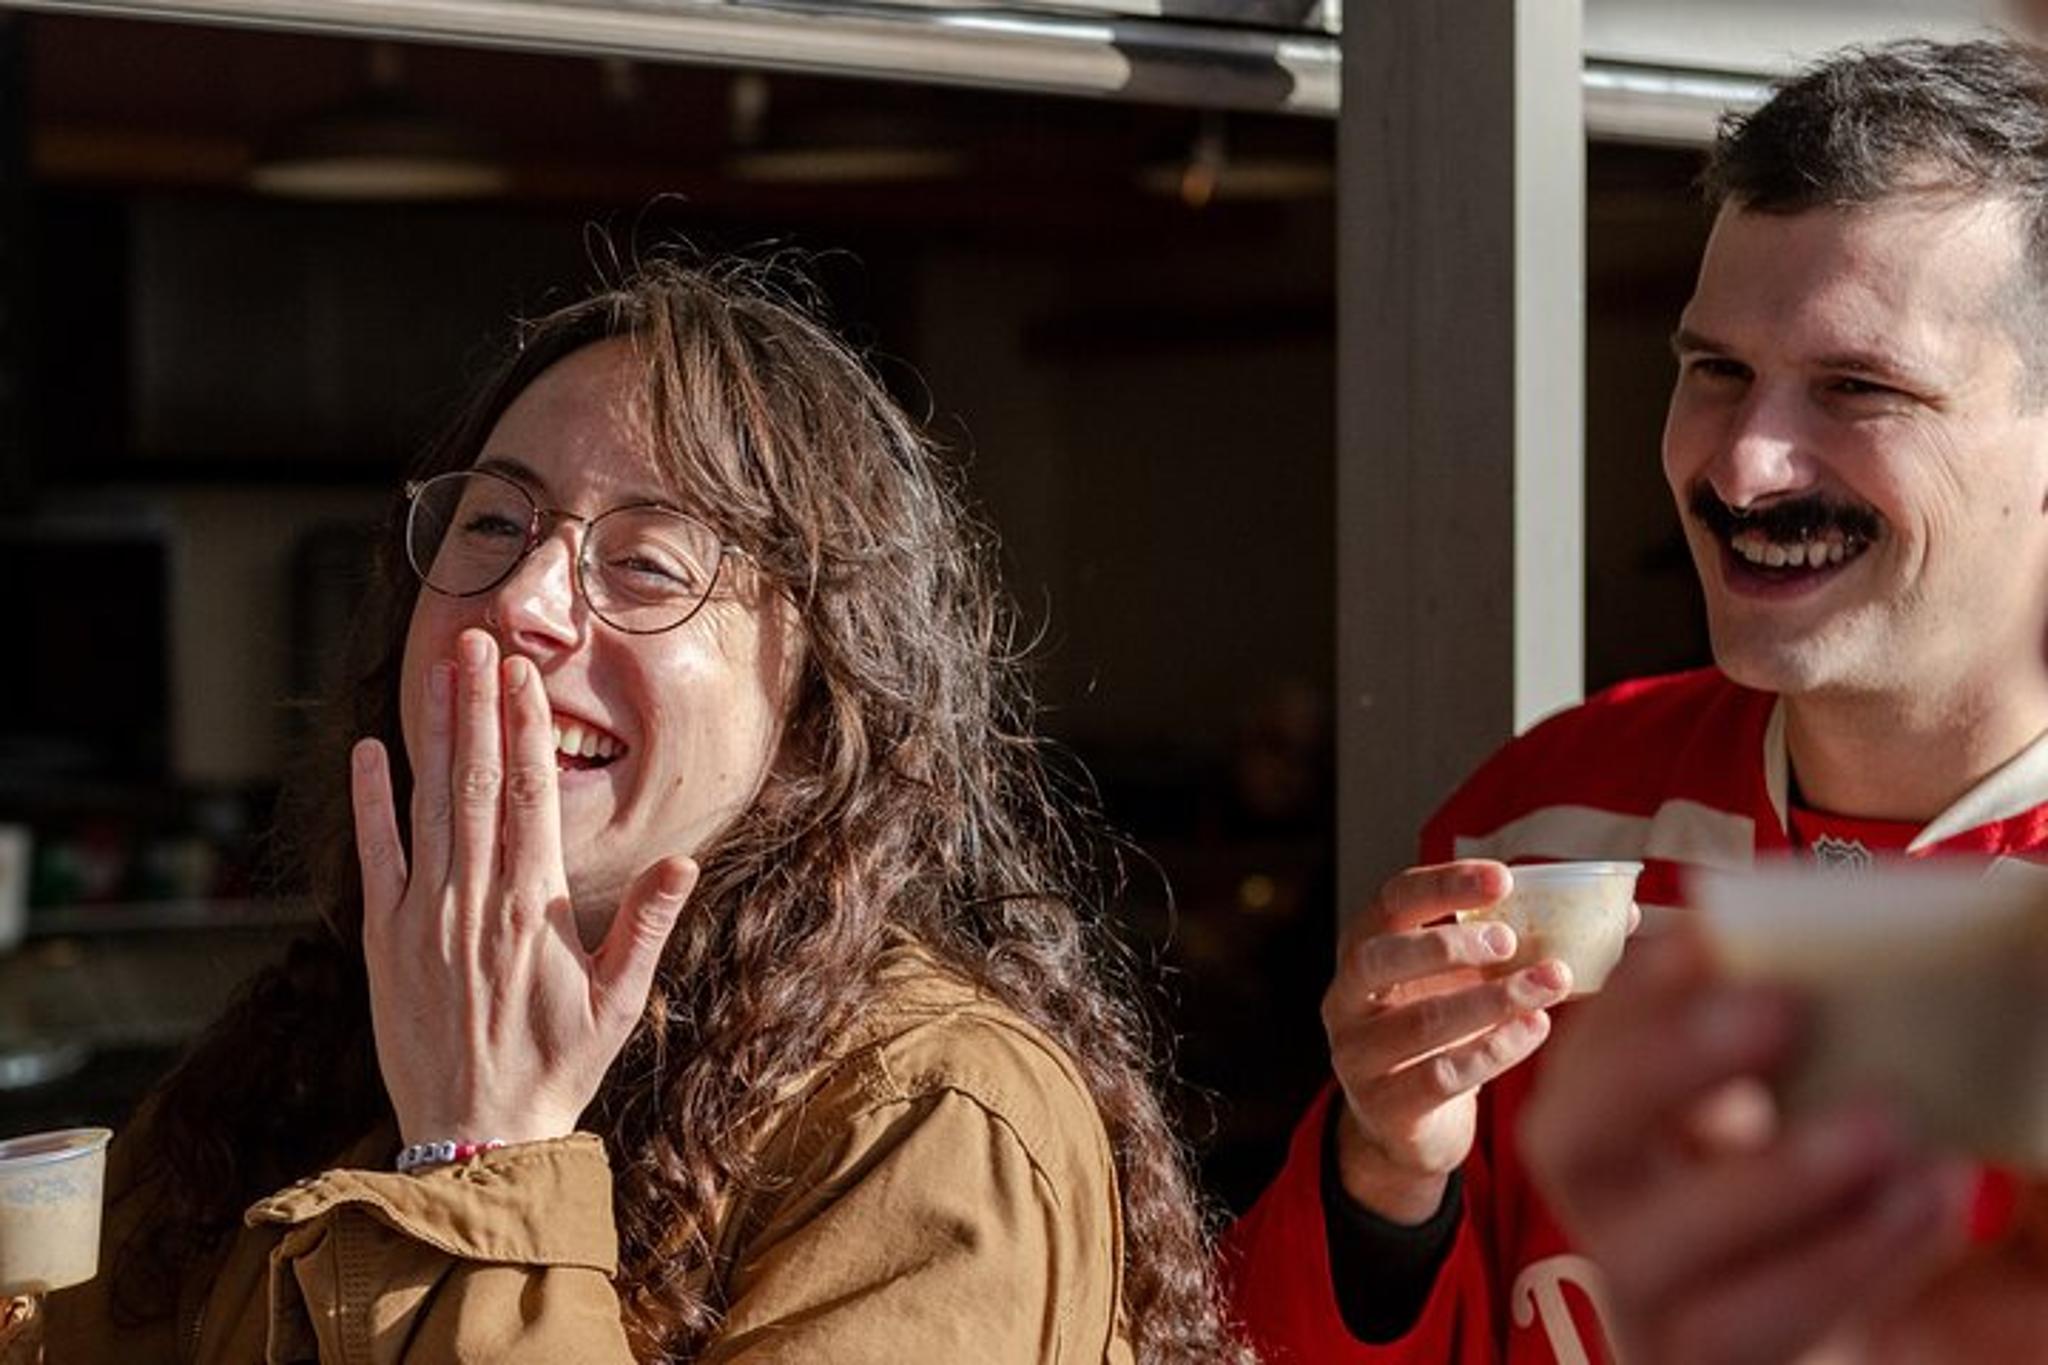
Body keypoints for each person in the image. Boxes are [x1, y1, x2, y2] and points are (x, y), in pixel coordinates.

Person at [18, 258, 1251, 1363]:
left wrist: (480, 1152)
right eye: (494, 523)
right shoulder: (300, 1049)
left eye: (648, 561)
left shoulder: (928, 1120)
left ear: (823, 698)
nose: (523, 602)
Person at [1222, 36, 2048, 1365]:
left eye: (1858, 389)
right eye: (1715, 369)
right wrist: (1384, 1178)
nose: (1745, 462)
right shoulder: (1547, 817)